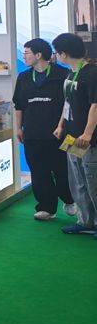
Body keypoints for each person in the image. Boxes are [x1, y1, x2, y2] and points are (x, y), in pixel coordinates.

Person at [13, 39, 75, 221]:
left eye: (27, 52)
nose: (24, 56)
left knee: (63, 170)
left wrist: (61, 126)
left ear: (39, 55)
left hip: (59, 133)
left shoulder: (62, 74)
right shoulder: (23, 77)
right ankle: (46, 208)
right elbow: (18, 105)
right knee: (39, 171)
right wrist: (18, 128)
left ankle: (70, 199)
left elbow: (69, 103)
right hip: (32, 133)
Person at [51, 33, 97, 236]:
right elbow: (67, 102)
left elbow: (95, 105)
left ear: (64, 53)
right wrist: (61, 125)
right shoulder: (70, 74)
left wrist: (88, 133)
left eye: (57, 52)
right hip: (71, 136)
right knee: (77, 180)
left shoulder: (92, 73)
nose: (56, 56)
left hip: (88, 139)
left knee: (92, 180)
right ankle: (85, 221)